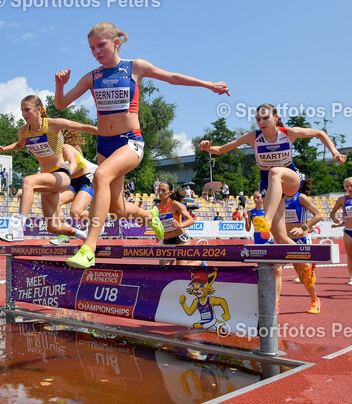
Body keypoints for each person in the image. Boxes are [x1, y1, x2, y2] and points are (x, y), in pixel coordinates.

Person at [55, 22, 228, 269]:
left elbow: (173, 78)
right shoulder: (92, 77)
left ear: (116, 42)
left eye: (100, 45)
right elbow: (62, 104)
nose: (96, 52)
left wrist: (208, 84)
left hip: (130, 142)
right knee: (117, 208)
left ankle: (89, 247)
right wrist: (60, 85)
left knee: (100, 176)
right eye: (92, 48)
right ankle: (149, 215)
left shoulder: (134, 67)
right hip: (105, 145)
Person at [200, 104, 345, 245]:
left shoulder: (288, 133)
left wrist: (335, 152)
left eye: (265, 118)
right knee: (281, 238)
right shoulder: (253, 137)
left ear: (275, 117)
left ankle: (266, 220)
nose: (261, 122)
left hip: (290, 178)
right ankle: (305, 265)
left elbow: (320, 133)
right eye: (257, 119)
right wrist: (208, 148)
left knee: (275, 171)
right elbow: (221, 150)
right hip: (268, 184)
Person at [0, 95, 98, 243]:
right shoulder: (24, 131)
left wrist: (107, 133)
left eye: (27, 110)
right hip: (46, 177)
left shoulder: (52, 125)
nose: (24, 114)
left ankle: (17, 229)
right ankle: (83, 235)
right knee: (53, 227)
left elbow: (81, 127)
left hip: (61, 175)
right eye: (21, 111)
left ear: (38, 109)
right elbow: (20, 145)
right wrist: (3, 149)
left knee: (28, 181)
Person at [48, 131, 99, 244]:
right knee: (56, 201)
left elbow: (73, 164)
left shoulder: (66, 148)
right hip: (73, 182)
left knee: (75, 212)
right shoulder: (52, 155)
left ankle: (99, 220)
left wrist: (67, 173)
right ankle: (64, 235)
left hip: (86, 180)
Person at [282, 190, 324, 312]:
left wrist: (303, 228)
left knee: (304, 273)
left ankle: (315, 300)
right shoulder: (279, 198)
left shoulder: (301, 198)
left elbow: (318, 215)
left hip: (301, 239)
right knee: (278, 270)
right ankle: (274, 303)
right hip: (285, 239)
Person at [155, 181, 198, 266]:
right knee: (163, 270)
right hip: (167, 241)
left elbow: (191, 220)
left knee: (181, 269)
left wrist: (180, 225)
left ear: (170, 192)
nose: (160, 193)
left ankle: (199, 262)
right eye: (159, 190)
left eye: (163, 190)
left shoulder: (175, 205)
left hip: (181, 240)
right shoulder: (157, 207)